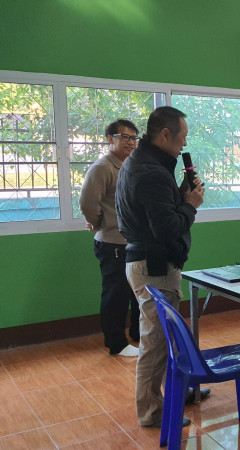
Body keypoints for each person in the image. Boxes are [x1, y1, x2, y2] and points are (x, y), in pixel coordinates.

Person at [117, 106, 207, 427]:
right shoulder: (151, 172)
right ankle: (152, 413)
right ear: (166, 135)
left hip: (146, 262)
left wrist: (181, 195)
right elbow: (167, 228)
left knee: (169, 338)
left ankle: (179, 391)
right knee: (155, 344)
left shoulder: (141, 163)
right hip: (153, 267)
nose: (185, 144)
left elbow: (157, 213)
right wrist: (190, 205)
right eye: (182, 137)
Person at [79, 119, 142, 357]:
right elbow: (87, 203)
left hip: (133, 241)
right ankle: (116, 343)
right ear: (110, 139)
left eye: (134, 138)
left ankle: (138, 334)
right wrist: (99, 223)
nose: (131, 143)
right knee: (116, 294)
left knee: (138, 292)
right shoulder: (103, 167)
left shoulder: (131, 165)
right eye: (125, 137)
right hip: (112, 242)